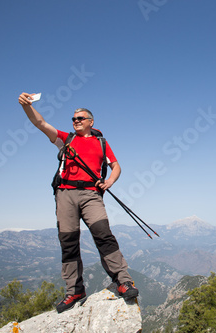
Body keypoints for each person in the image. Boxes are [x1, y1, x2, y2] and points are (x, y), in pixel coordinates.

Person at [18, 92, 139, 313]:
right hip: (65, 193)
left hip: (92, 194)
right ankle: (75, 290)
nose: (75, 121)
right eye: (73, 119)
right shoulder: (66, 139)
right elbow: (40, 122)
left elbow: (116, 166)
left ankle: (124, 281)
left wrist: (109, 181)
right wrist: (26, 105)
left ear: (91, 122)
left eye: (80, 118)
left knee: (104, 236)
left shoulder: (101, 143)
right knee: (69, 243)